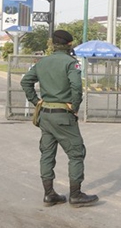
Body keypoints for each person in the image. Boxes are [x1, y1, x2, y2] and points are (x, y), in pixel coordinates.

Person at [20, 29, 98, 208]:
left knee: (47, 154)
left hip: (45, 115)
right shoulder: (71, 63)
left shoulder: (42, 62)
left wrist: (36, 101)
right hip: (63, 116)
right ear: (69, 44)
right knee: (76, 153)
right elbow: (77, 86)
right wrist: (75, 107)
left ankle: (49, 194)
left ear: (53, 45)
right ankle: (76, 195)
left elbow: (25, 82)